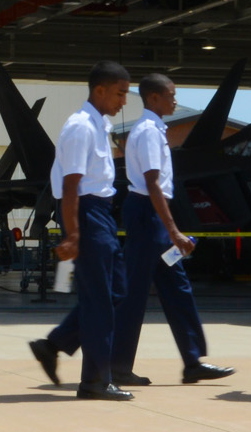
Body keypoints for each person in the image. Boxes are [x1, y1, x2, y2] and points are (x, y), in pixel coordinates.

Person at [110, 73, 234, 387]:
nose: (175, 100)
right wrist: (174, 231)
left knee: (177, 285)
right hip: (147, 215)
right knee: (134, 293)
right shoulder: (149, 132)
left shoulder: (156, 130)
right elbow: (152, 184)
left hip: (155, 217)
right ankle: (118, 365)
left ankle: (193, 361)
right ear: (154, 98)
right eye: (171, 95)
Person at [29, 61, 132, 401]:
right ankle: (95, 381)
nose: (124, 101)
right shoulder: (80, 127)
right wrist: (72, 234)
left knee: (115, 291)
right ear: (99, 90)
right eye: (120, 93)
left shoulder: (98, 125)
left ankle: (54, 344)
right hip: (85, 213)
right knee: (101, 299)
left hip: (100, 212)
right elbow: (71, 185)